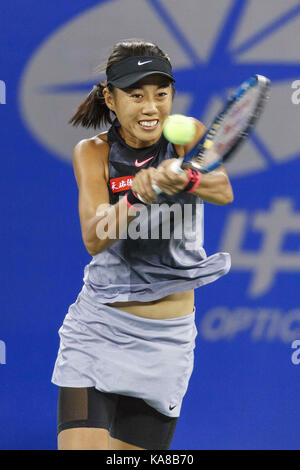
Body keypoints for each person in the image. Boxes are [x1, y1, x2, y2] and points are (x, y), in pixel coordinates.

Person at [51, 39, 233, 451]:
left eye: (161, 94)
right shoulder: (92, 153)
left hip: (166, 343)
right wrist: (136, 196)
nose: (151, 107)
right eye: (136, 95)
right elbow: (93, 237)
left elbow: (222, 190)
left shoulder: (187, 135)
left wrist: (183, 178)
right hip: (98, 329)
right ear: (109, 98)